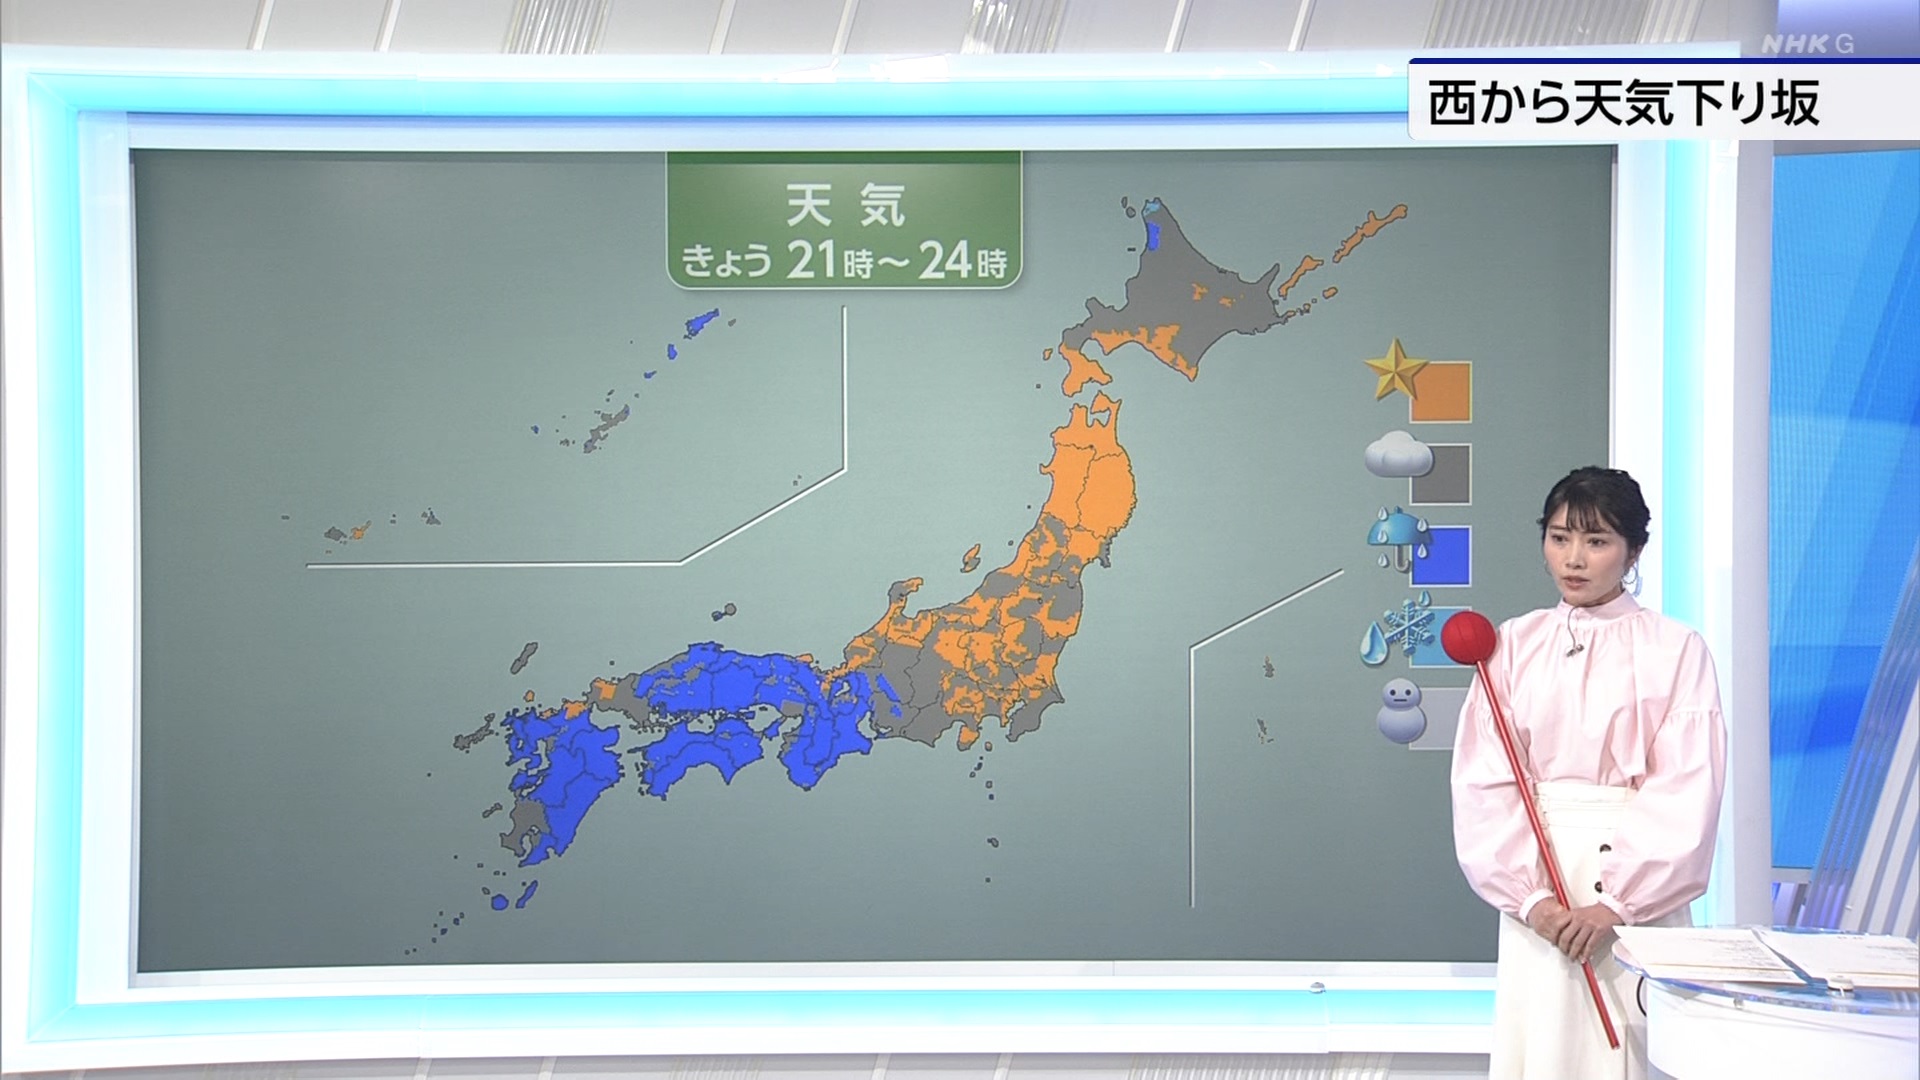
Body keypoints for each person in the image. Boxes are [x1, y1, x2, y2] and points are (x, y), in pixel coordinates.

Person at [1450, 466, 1728, 1080]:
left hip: (1636, 891)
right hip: (1540, 888)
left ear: (1635, 550)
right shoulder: (1512, 644)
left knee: (1625, 1048)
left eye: (1596, 541)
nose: (1573, 559)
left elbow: (1687, 788)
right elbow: (1484, 782)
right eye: (1559, 538)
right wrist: (1533, 901)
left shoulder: (1675, 649)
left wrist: (1617, 905)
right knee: (1543, 1047)